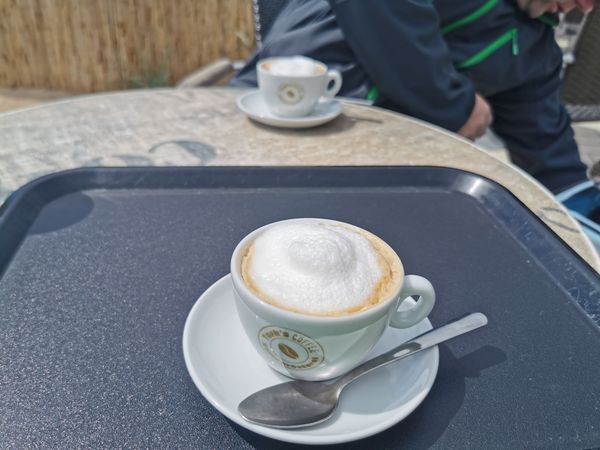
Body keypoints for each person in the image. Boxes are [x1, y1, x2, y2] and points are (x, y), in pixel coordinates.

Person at [231, 0, 598, 206]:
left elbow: (554, 166)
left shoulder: (536, 52)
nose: (584, 6)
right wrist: (455, 105)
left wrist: (589, 217)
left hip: (382, 189)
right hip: (266, 137)